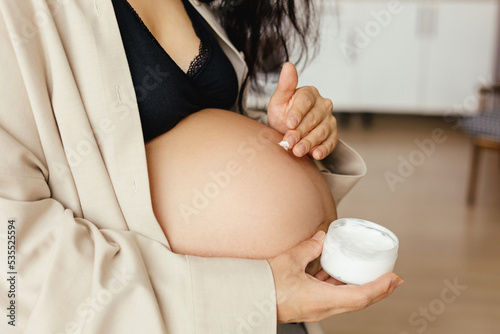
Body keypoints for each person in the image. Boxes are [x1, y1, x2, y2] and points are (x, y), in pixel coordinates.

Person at [0, 1, 403, 334]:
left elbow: (175, 138)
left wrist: (283, 132)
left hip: (272, 312)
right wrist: (255, 295)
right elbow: (14, 266)